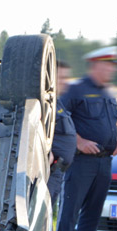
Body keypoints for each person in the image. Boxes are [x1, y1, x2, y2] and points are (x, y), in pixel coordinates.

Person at [56, 46, 117, 231]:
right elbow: (60, 118)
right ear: (95, 65)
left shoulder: (109, 92)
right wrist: (79, 141)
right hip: (81, 161)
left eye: (113, 66)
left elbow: (115, 120)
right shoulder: (76, 89)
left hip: (104, 161)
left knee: (93, 213)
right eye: (107, 65)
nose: (111, 70)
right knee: (70, 211)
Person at [46, 61, 77, 211]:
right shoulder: (43, 105)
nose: (65, 82)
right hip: (48, 172)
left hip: (58, 172)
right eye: (61, 78)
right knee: (41, 214)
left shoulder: (57, 103)